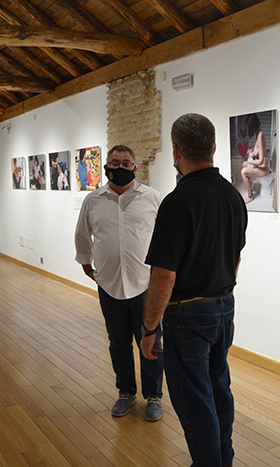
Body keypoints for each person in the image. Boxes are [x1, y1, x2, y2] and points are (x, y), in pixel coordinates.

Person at [140, 113, 248, 467]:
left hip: (187, 315)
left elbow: (164, 277)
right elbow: (236, 259)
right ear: (214, 147)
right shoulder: (233, 196)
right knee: (218, 391)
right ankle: (222, 460)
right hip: (223, 307)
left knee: (194, 402)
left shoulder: (177, 202)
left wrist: (150, 328)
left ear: (175, 150)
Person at [74, 145, 165, 421]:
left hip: (145, 286)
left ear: (135, 168)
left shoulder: (152, 198)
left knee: (150, 342)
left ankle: (154, 396)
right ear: (105, 166)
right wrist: (87, 264)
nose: (121, 168)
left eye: (126, 163)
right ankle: (125, 392)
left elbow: (165, 238)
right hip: (109, 285)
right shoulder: (93, 201)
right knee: (118, 343)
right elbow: (82, 235)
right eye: (115, 162)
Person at [240, 113, 270, 204]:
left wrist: (250, 161)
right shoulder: (258, 134)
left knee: (243, 172)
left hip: (263, 168)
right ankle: (249, 185)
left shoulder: (260, 135)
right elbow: (259, 152)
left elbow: (261, 161)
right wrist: (252, 152)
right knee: (244, 164)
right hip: (260, 166)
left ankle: (250, 196)